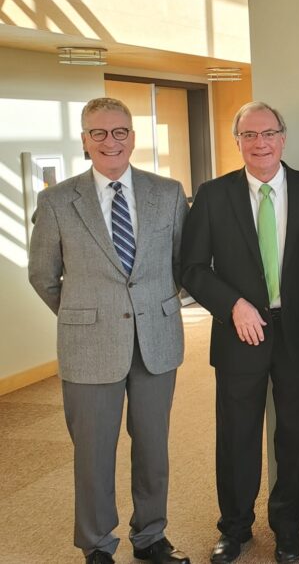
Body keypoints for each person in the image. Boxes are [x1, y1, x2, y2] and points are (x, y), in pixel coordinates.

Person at [28, 97, 190, 564]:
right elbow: (43, 275)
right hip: (88, 345)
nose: (110, 141)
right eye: (98, 133)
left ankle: (151, 537)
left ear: (133, 137)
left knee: (153, 449)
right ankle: (97, 545)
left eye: (119, 131)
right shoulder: (57, 200)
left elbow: (182, 265)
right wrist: (84, 312)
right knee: (94, 455)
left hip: (156, 342)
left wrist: (148, 307)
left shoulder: (168, 192)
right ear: (84, 140)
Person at [180, 101, 299, 563]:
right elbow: (191, 268)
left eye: (268, 133)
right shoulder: (213, 195)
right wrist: (233, 306)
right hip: (239, 334)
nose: (260, 143)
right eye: (249, 135)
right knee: (237, 436)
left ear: (283, 138)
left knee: (295, 435)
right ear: (238, 142)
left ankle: (288, 529)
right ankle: (234, 529)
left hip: (298, 334)